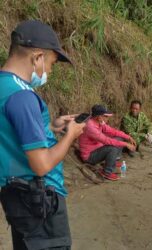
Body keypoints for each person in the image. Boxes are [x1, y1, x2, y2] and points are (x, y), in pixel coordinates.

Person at [0, 20, 86, 249]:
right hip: (40, 203)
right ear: (37, 57)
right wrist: (71, 135)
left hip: (16, 197)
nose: (49, 71)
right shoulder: (23, 96)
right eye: (51, 63)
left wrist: (50, 128)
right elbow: (41, 164)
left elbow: (10, 135)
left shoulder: (4, 85)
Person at [79, 104, 136, 180]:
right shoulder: (90, 127)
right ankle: (106, 172)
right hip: (89, 157)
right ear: (99, 117)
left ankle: (112, 163)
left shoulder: (99, 121)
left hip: (98, 149)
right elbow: (106, 140)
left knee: (119, 138)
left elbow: (112, 131)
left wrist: (128, 137)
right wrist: (126, 144)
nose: (108, 118)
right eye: (106, 116)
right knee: (112, 147)